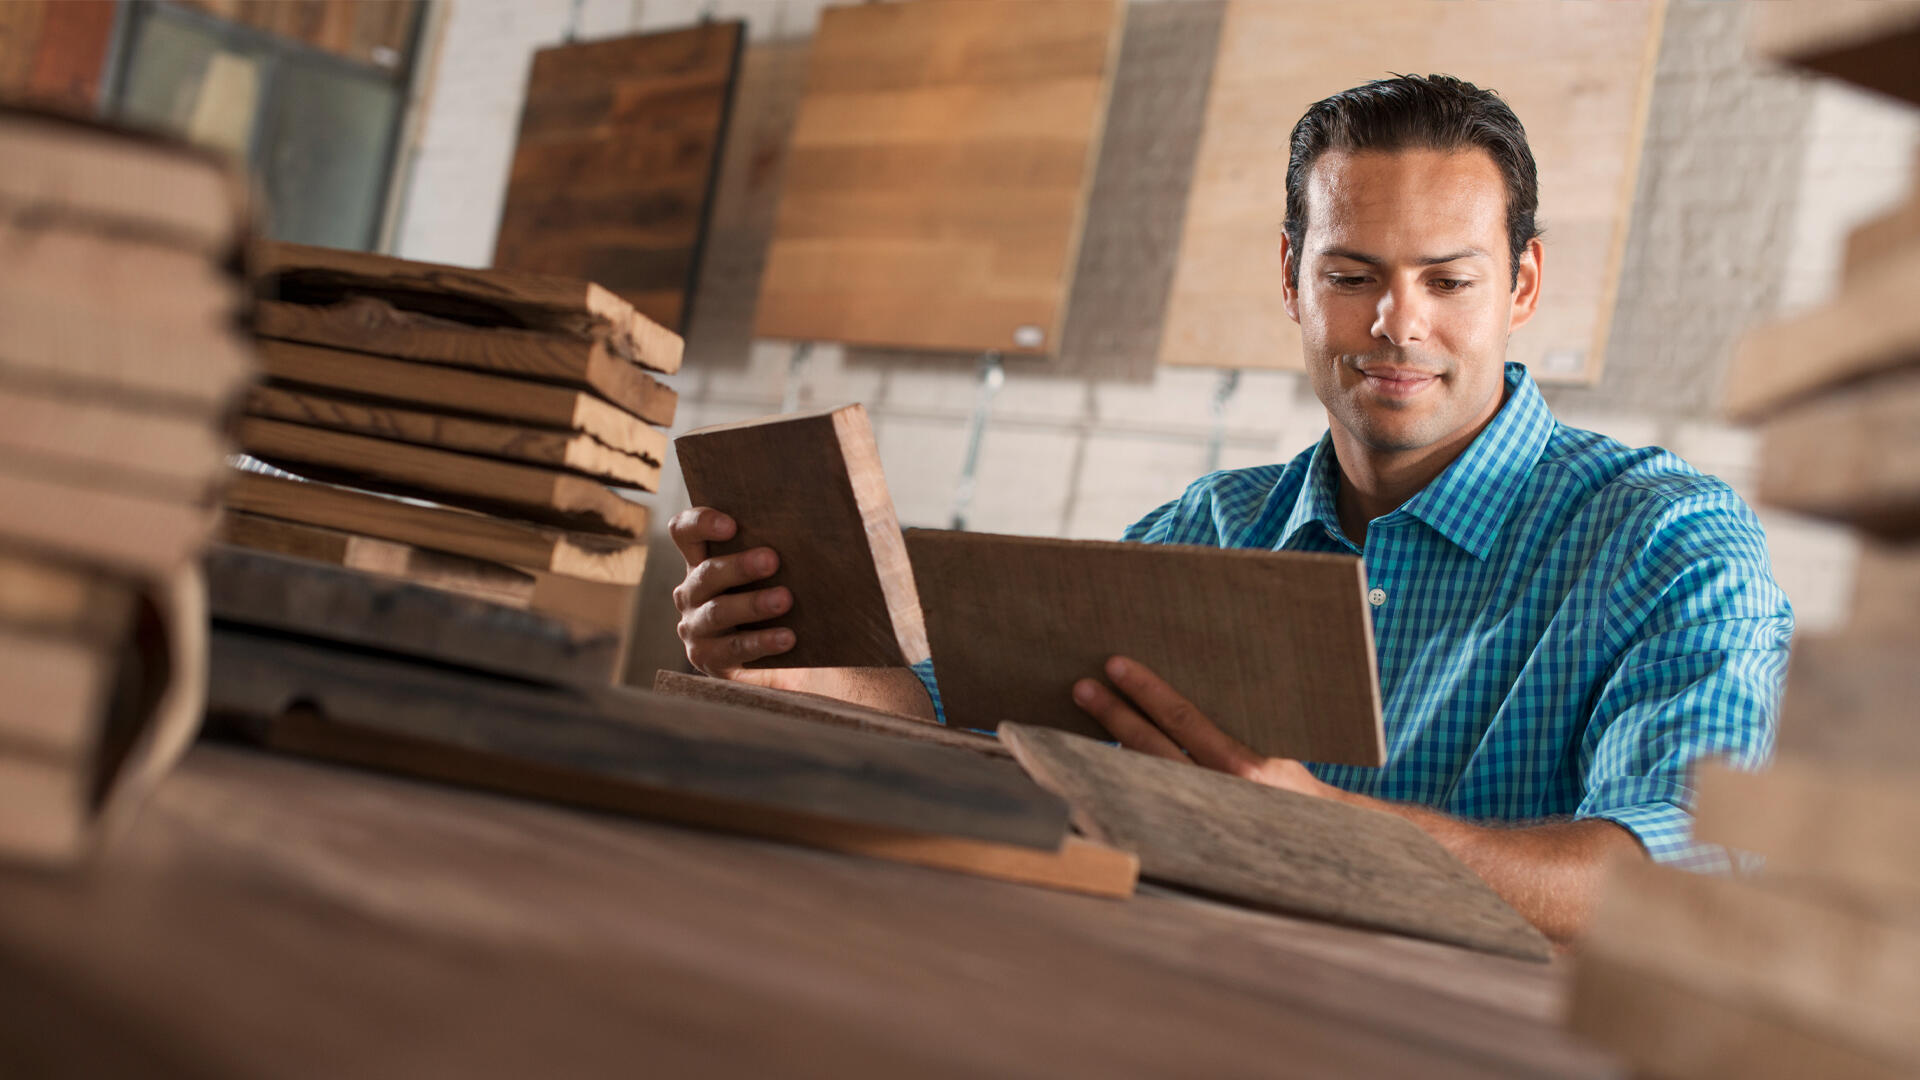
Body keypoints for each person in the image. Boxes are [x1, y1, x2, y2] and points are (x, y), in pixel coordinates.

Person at [670, 75, 1791, 945]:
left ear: (1524, 286)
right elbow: (982, 733)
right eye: (1353, 276)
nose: (1399, 325)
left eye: (1449, 281)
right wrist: (788, 664)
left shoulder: (1670, 543)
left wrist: (1322, 835)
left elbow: (1673, 878)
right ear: (1293, 278)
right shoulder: (1211, 526)